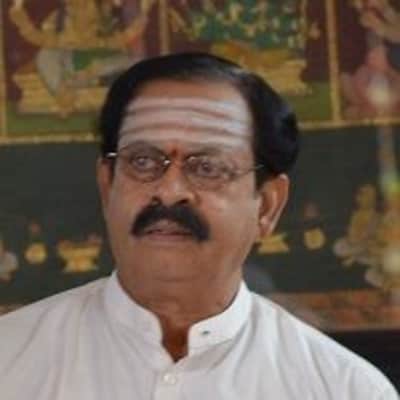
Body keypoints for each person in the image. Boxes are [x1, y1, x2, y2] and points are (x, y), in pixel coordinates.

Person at [0, 53, 398, 399]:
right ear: (107, 187)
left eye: (208, 167)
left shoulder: (344, 389)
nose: (170, 192)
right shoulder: (10, 362)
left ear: (267, 206)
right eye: (142, 162)